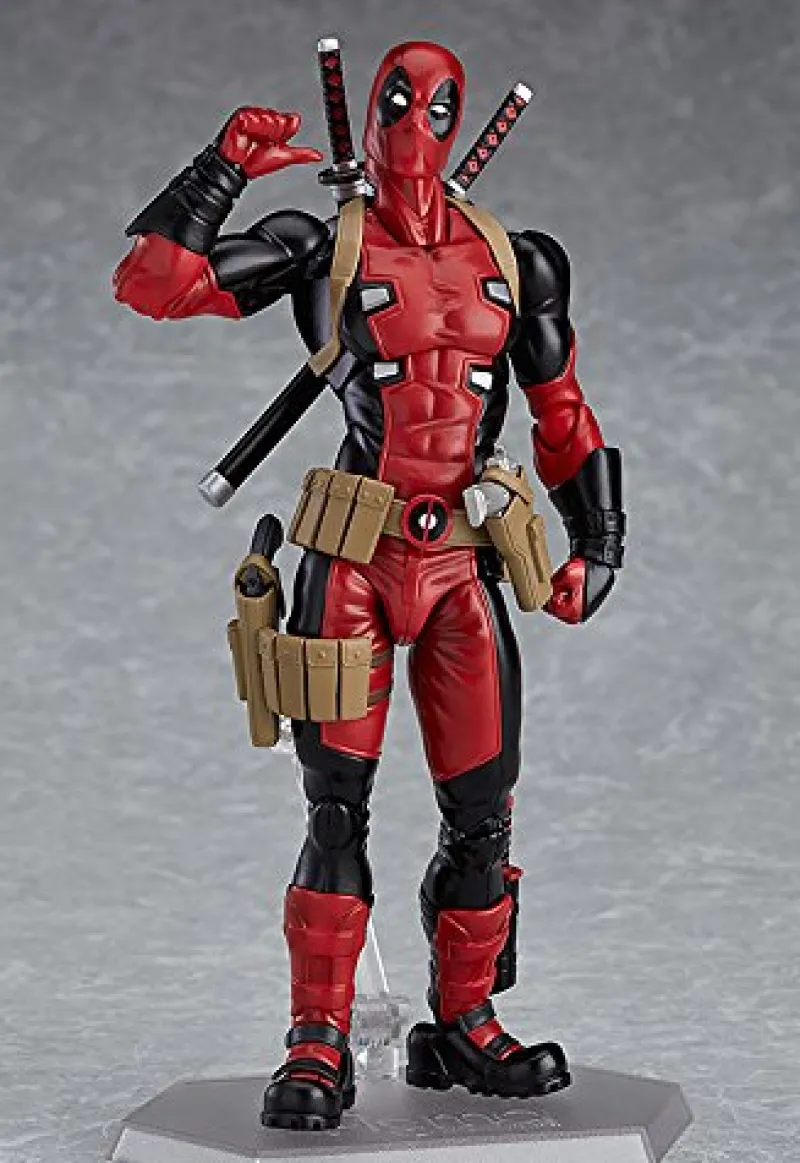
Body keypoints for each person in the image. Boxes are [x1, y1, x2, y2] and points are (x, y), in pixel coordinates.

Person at [114, 39, 626, 1131]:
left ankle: (464, 1020)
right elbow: (153, 285)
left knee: (483, 812)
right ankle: (317, 1036)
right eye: (397, 99)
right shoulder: (322, 245)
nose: (414, 125)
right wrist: (221, 166)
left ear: (463, 119)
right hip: (352, 557)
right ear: (373, 107)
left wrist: (601, 539)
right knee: (335, 806)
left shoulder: (519, 259)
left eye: (436, 106)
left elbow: (562, 408)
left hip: (462, 565)